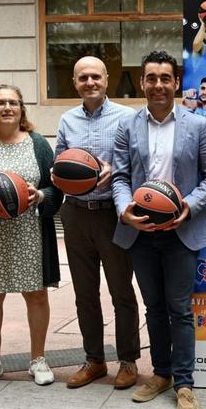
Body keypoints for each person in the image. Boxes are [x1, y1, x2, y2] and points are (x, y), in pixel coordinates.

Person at [112, 50, 206, 409]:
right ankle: (161, 374)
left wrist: (187, 206)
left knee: (180, 310)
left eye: (165, 78)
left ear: (176, 83)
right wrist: (125, 209)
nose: (158, 85)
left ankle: (185, 383)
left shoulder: (199, 125)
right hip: (141, 232)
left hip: (181, 231)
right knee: (154, 308)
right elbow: (120, 177)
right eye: (151, 78)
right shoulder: (127, 126)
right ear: (142, 82)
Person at [0, 84, 63, 390]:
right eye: (0, 103)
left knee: (36, 295)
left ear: (22, 108)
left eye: (13, 102)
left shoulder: (37, 144)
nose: (7, 107)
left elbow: (55, 186)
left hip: (29, 232)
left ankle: (38, 359)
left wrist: (41, 195)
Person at [56, 56, 141, 390]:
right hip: (75, 213)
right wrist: (60, 174)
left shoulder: (127, 117)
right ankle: (94, 360)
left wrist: (116, 171)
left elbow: (138, 162)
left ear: (107, 79)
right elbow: (61, 160)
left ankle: (129, 361)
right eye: (82, 78)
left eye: (95, 76)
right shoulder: (67, 119)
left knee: (121, 291)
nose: (89, 82)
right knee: (84, 294)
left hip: (112, 214)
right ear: (75, 82)